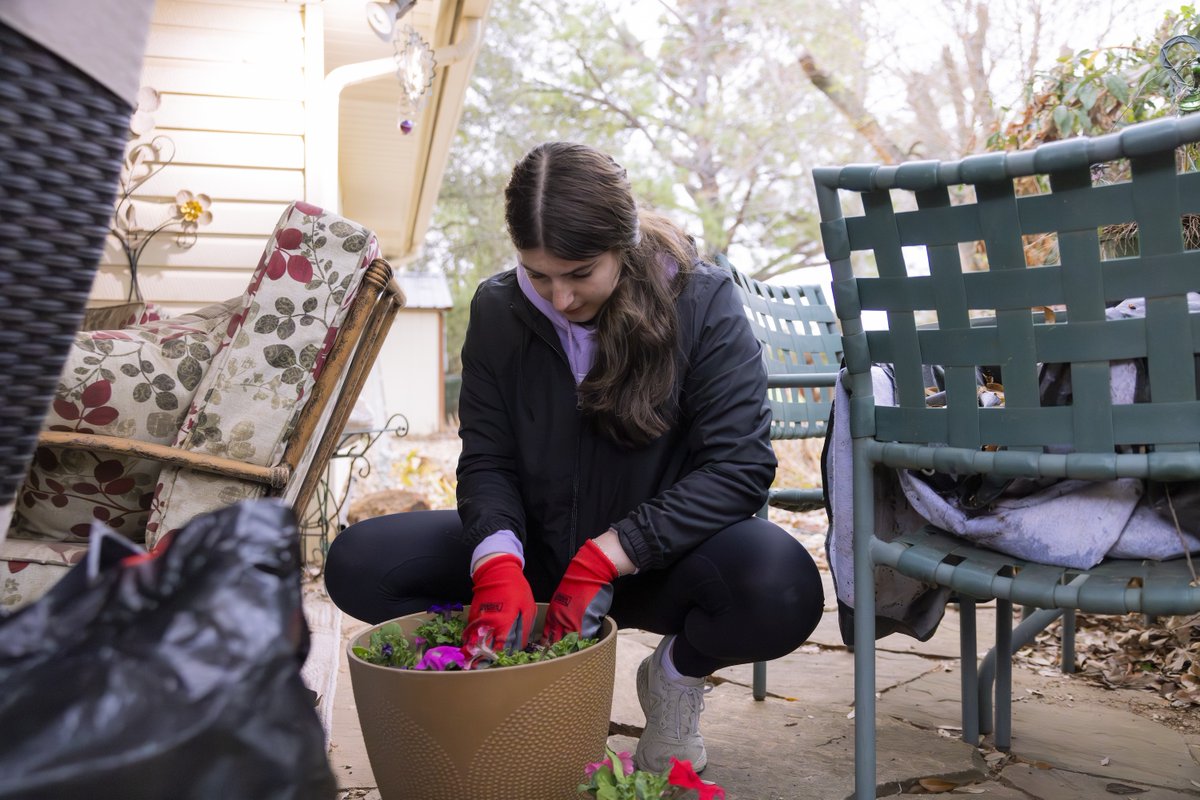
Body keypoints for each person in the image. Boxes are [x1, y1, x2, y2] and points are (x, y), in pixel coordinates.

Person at [324, 141, 824, 772]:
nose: (560, 298)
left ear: (624, 244)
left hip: (654, 564)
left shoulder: (701, 301)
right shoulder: (498, 310)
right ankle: (495, 673)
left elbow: (738, 469)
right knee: (360, 563)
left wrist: (611, 553)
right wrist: (496, 562)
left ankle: (673, 678)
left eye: (580, 272)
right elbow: (488, 458)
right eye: (539, 275)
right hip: (538, 556)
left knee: (780, 585)